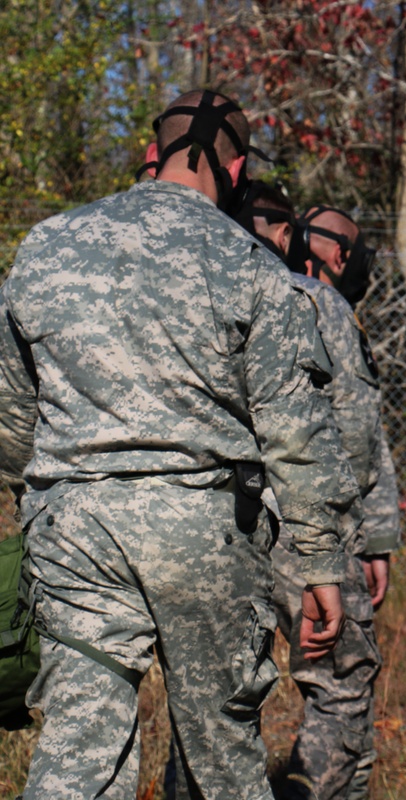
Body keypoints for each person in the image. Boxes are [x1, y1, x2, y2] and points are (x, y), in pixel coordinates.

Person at [0, 90, 362, 800]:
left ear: (148, 154)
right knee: (222, 758)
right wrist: (321, 563)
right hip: (204, 530)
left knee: (79, 753)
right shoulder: (251, 264)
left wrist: (32, 499)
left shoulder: (48, 244)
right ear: (238, 169)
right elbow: (297, 430)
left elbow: (11, 411)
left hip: (76, 529)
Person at [249, 194, 402, 799]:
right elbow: (359, 437)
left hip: (218, 523)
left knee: (215, 699)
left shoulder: (222, 286)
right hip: (309, 529)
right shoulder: (322, 302)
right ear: (337, 253)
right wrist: (366, 536)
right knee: (340, 686)